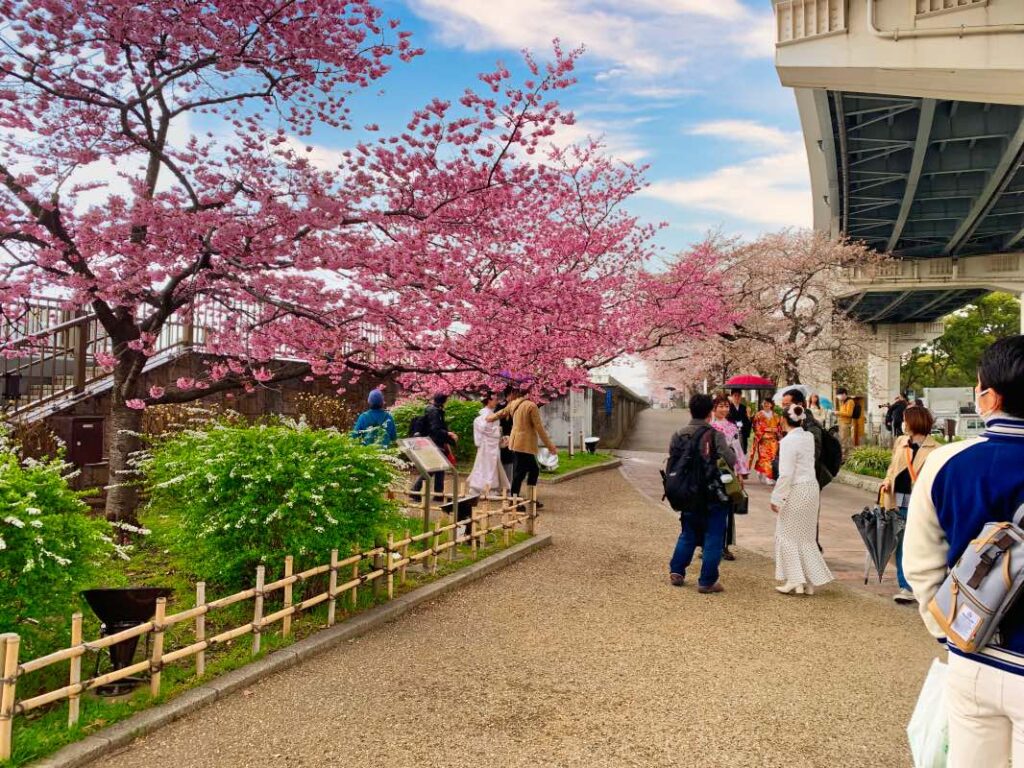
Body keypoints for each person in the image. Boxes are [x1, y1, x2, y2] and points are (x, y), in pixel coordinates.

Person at [904, 336, 1024, 767]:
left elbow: (920, 564)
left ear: (989, 397)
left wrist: (948, 630)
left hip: (973, 656)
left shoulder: (948, 461)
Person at [667, 393, 737, 594]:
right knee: (714, 535)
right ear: (710, 412)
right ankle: (707, 581)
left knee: (688, 532)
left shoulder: (678, 434)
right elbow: (731, 460)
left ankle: (677, 571)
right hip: (712, 493)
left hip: (687, 493)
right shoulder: (715, 435)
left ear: (690, 410)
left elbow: (673, 459)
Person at [770, 404, 834, 596]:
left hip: (796, 489)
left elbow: (786, 474)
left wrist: (777, 497)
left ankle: (795, 579)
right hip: (811, 488)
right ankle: (807, 582)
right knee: (806, 538)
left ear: (783, 420)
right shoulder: (808, 437)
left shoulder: (788, 441)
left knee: (787, 535)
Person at [878, 405, 937, 605]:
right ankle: (906, 586)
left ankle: (922, 585)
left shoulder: (934, 449)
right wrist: (887, 480)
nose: (902, 423)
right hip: (897, 499)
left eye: (905, 419)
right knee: (901, 543)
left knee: (920, 545)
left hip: (920, 503)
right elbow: (893, 466)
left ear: (914, 421)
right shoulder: (901, 442)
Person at [488, 384, 557, 505]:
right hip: (525, 444)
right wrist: (550, 445)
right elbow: (539, 427)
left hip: (515, 443)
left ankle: (523, 499)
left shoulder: (513, 405)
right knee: (524, 472)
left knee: (526, 471)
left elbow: (500, 413)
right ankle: (518, 500)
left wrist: (489, 418)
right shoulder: (531, 406)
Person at [711, 394, 747, 561]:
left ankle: (724, 545)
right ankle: (707, 545)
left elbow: (738, 451)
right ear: (714, 408)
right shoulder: (709, 427)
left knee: (727, 507)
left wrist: (740, 473)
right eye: (721, 406)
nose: (724, 409)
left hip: (728, 470)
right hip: (711, 470)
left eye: (727, 406)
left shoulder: (732, 428)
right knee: (710, 507)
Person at [411, 393, 458, 502]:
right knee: (432, 468)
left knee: (439, 467)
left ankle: (438, 493)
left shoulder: (433, 410)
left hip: (434, 442)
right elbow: (436, 429)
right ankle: (415, 490)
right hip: (434, 443)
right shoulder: (435, 412)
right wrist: (448, 434)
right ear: (444, 401)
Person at [467, 392, 509, 498]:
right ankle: (485, 488)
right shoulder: (484, 416)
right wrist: (498, 432)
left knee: (490, 466)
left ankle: (489, 488)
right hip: (487, 445)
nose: (496, 401)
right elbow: (485, 429)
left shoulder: (489, 414)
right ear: (489, 401)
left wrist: (499, 436)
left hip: (491, 445)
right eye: (494, 399)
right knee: (487, 466)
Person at [749, 397, 782, 485]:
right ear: (762, 404)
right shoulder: (759, 415)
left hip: (773, 440)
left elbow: (779, 426)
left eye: (768, 403)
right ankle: (768, 477)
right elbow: (756, 426)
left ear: (771, 405)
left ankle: (761, 471)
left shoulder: (775, 415)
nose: (766, 405)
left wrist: (777, 431)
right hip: (763, 439)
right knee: (765, 457)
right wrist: (767, 429)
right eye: (764, 403)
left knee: (772, 458)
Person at [727, 388, 752, 456]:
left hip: (742, 433)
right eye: (735, 395)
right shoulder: (728, 408)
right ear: (731, 396)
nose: (737, 397)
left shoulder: (744, 408)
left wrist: (749, 416)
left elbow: (747, 422)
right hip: (732, 434)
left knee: (743, 453)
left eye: (739, 395)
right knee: (733, 454)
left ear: (741, 396)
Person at [836, 388, 855, 455]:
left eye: (839, 395)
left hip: (846, 424)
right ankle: (845, 455)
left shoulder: (850, 401)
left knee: (844, 441)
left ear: (844, 394)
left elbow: (849, 414)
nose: (838, 396)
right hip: (841, 423)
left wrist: (838, 412)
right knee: (843, 440)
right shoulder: (843, 402)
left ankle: (845, 456)